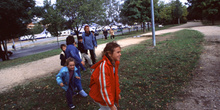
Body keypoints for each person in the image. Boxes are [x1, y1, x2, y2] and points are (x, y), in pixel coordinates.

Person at [89, 41, 122, 110]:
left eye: (120, 52)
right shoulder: (104, 66)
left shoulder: (114, 63)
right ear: (109, 54)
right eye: (118, 52)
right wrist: (111, 105)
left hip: (104, 95)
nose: (120, 54)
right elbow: (104, 87)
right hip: (100, 95)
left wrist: (117, 92)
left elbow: (115, 80)